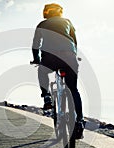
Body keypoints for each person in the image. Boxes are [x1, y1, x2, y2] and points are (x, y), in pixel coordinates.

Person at [31, 3, 84, 138]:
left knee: (42, 71)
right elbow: (74, 41)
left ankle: (47, 97)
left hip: (50, 58)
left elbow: (35, 45)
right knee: (73, 90)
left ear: (46, 13)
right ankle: (79, 121)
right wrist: (73, 55)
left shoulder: (42, 24)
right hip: (69, 58)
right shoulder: (68, 22)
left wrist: (36, 59)